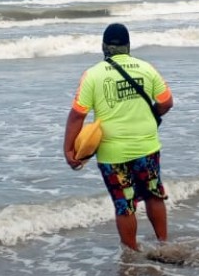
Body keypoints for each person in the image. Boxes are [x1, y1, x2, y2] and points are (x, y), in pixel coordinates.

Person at [63, 23, 174, 251]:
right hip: (148, 147)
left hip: (113, 154)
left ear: (104, 46)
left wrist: (69, 151)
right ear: (128, 46)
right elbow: (166, 102)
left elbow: (77, 115)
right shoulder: (146, 68)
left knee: (125, 205)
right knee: (154, 195)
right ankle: (164, 244)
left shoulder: (92, 75)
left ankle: (131, 254)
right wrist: (151, 115)